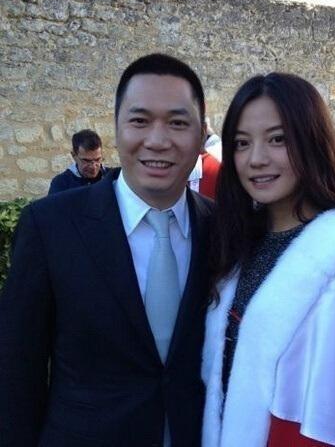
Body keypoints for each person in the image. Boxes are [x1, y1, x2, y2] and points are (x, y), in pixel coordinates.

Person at [0, 54, 214, 446]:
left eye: (178, 123)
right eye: (140, 120)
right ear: (116, 129)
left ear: (201, 136)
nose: (158, 140)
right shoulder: (50, 227)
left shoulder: (223, 228)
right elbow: (16, 371)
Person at [202, 73, 335, 447]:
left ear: (311, 141)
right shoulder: (237, 244)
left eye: (278, 139)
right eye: (241, 143)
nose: (256, 159)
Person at [48, 128, 109, 194]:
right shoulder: (60, 183)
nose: (93, 166)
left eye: (97, 159)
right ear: (74, 155)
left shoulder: (113, 178)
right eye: (87, 161)